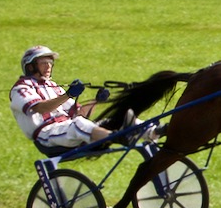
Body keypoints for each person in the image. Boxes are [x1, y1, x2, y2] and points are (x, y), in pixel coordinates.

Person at [10, 45, 153, 151]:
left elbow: (79, 113)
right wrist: (68, 95)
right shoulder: (21, 89)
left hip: (66, 129)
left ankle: (154, 131)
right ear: (30, 67)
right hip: (47, 134)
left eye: (50, 63)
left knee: (116, 119)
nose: (48, 66)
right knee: (78, 125)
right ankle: (118, 137)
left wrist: (97, 100)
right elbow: (40, 108)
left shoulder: (52, 86)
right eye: (43, 63)